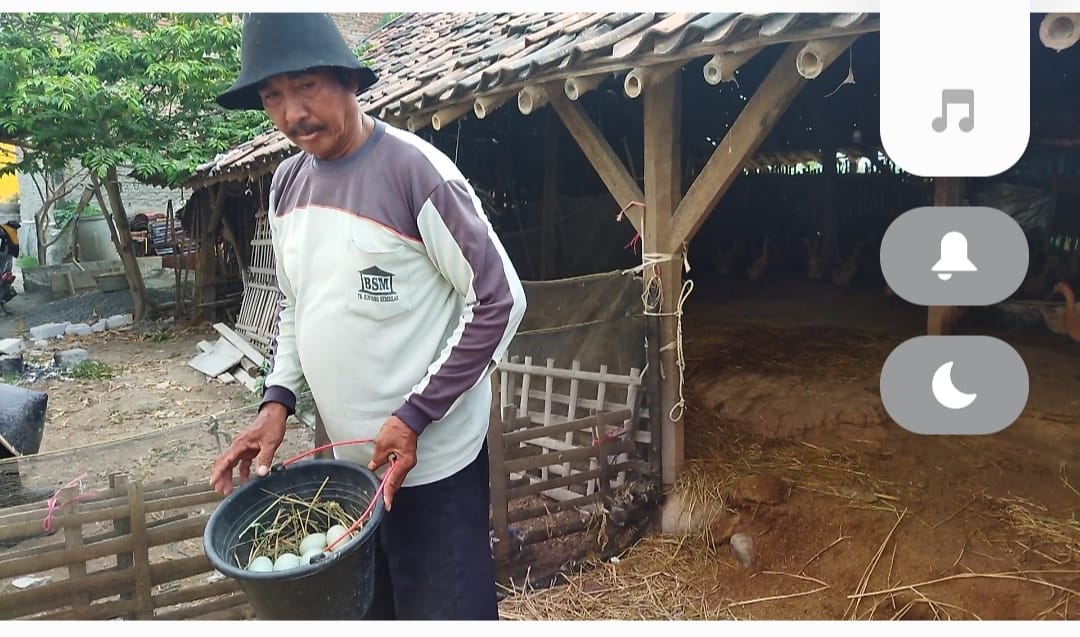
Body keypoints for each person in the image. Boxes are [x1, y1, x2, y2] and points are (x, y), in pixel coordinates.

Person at [207, 13, 527, 621]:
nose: (292, 113)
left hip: (431, 466)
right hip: (347, 474)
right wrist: (277, 401)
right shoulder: (286, 185)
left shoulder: (417, 173)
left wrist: (415, 415)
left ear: (350, 81)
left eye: (306, 87)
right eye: (272, 96)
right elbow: (298, 305)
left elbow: (500, 300)